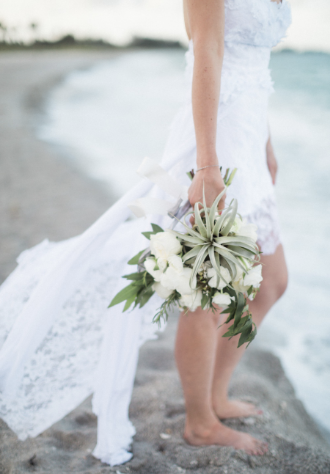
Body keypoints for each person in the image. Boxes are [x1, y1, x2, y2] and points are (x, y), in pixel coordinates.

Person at [0, 0, 291, 466]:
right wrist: (209, 164)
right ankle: (199, 422)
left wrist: (267, 144)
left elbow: (254, 68)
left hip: (249, 137)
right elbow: (207, 56)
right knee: (206, 289)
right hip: (217, 142)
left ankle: (216, 397)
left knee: (271, 282)